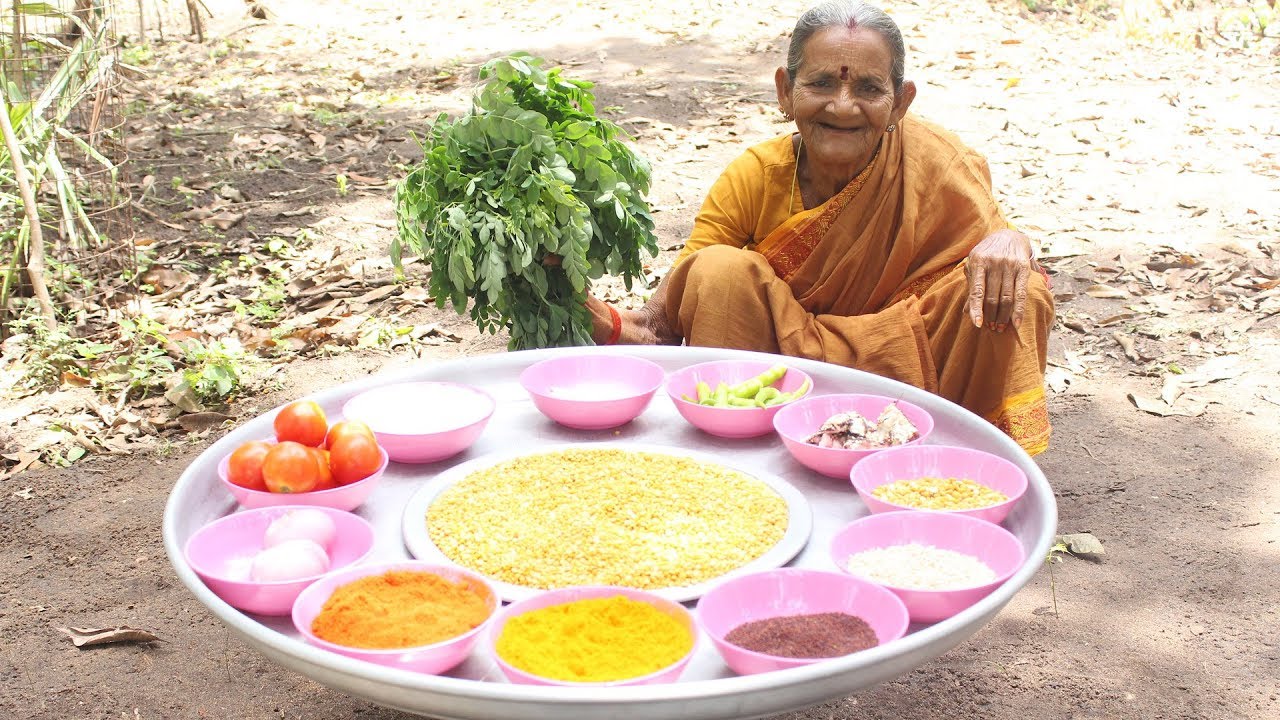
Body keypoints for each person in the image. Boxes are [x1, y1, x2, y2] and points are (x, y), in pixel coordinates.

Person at [584, 0, 1054, 455]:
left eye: (869, 89)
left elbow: (998, 247)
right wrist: (577, 306)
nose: (844, 106)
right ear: (786, 92)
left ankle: (957, 464)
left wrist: (1012, 240)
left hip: (912, 371)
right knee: (718, 271)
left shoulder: (935, 160)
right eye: (822, 83)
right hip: (778, 384)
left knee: (1016, 291)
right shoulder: (753, 178)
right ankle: (742, 453)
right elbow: (661, 327)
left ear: (900, 103)